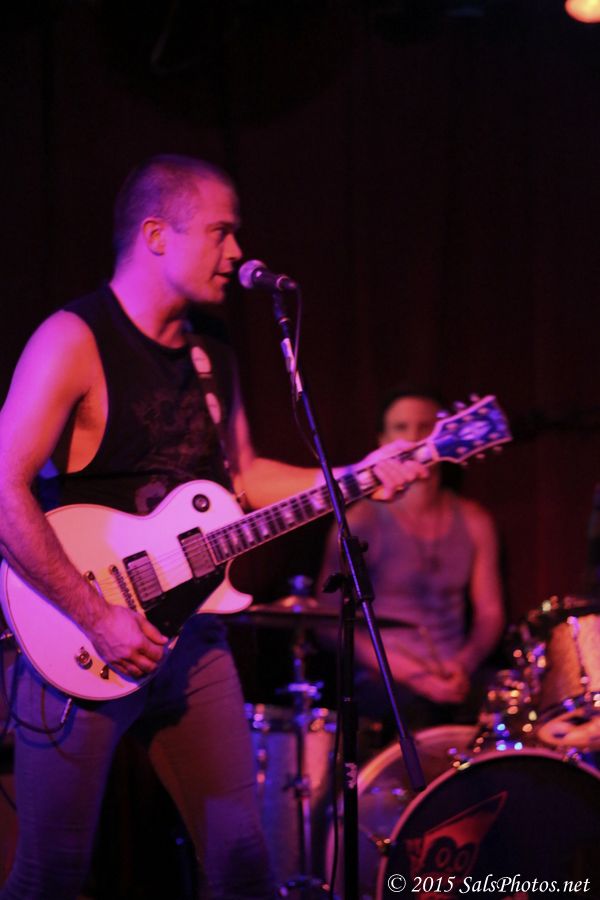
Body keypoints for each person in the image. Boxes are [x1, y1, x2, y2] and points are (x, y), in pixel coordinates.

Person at [0, 155, 425, 900]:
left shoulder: (211, 351)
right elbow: (4, 488)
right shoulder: (73, 339)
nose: (239, 253)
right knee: (51, 875)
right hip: (77, 635)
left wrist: (359, 475)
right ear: (156, 235)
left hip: (192, 638)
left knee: (243, 866)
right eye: (222, 232)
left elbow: (245, 475)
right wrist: (97, 616)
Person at [318, 387, 505, 730]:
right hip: (385, 677)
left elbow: (490, 612)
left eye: (426, 427)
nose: (414, 439)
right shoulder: (362, 521)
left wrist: (464, 663)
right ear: (382, 441)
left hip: (455, 671)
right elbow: (326, 622)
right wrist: (415, 677)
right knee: (417, 715)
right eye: (401, 428)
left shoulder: (474, 520)